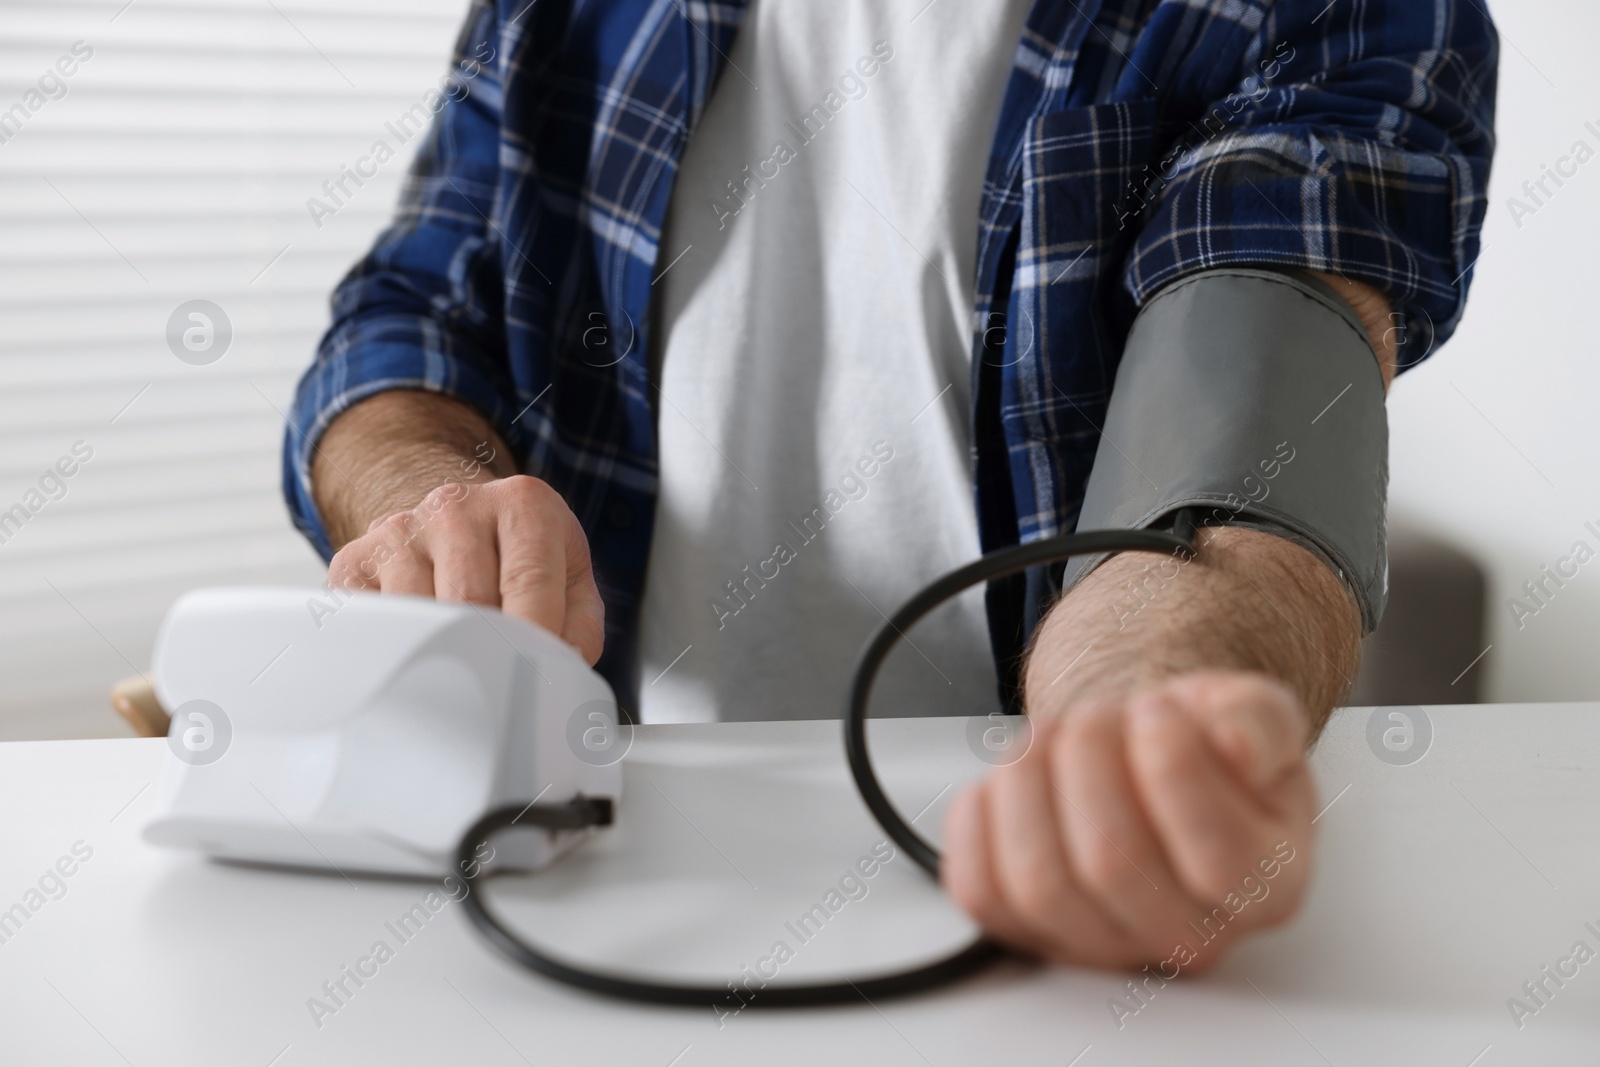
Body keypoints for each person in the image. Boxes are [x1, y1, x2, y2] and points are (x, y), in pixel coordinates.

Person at [284, 0, 1497, 972]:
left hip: (1045, 892)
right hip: (604, 853)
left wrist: (1145, 691)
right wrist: (427, 496)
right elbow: (407, 315)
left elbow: (1254, 408)